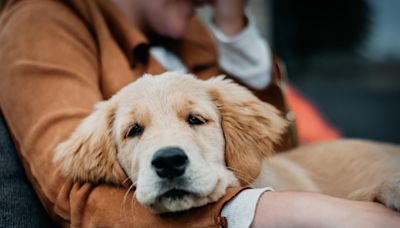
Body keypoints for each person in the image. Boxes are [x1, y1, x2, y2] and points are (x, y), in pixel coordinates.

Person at [0, 0, 399, 227]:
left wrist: (232, 26)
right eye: (135, 129)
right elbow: (73, 192)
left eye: (193, 119)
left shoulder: (189, 29)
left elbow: (265, 149)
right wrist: (288, 211)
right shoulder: (41, 19)